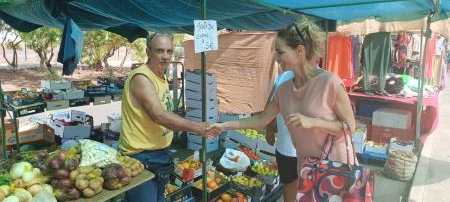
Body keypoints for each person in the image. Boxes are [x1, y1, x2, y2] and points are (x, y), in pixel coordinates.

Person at [209, 19, 356, 201]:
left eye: (280, 52)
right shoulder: (284, 89)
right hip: (306, 167)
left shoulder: (330, 83)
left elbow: (350, 127)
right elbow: (262, 119)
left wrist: (313, 122)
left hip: (334, 167)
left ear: (300, 50)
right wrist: (224, 126)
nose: (277, 59)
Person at [121, 33, 213, 202]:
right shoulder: (142, 77)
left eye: (169, 51)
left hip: (159, 154)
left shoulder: (160, 77)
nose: (165, 56)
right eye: (160, 51)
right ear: (148, 52)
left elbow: (164, 111)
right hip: (141, 157)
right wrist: (198, 127)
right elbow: (159, 115)